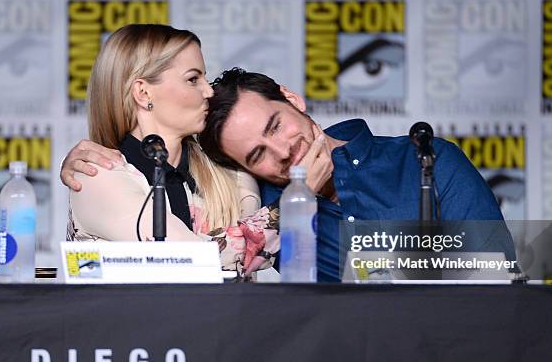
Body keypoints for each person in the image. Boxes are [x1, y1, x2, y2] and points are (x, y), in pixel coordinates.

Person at [62, 67, 509, 282]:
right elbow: (176, 269)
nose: (283, 150)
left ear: (293, 99)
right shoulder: (264, 215)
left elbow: (498, 271)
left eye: (276, 125)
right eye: (258, 154)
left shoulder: (425, 160)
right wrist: (99, 154)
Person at [66, 25, 280, 277]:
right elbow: (191, 262)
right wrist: (294, 209)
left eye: (204, 78)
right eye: (193, 79)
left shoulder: (230, 173)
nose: (208, 91)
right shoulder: (95, 174)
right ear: (143, 92)